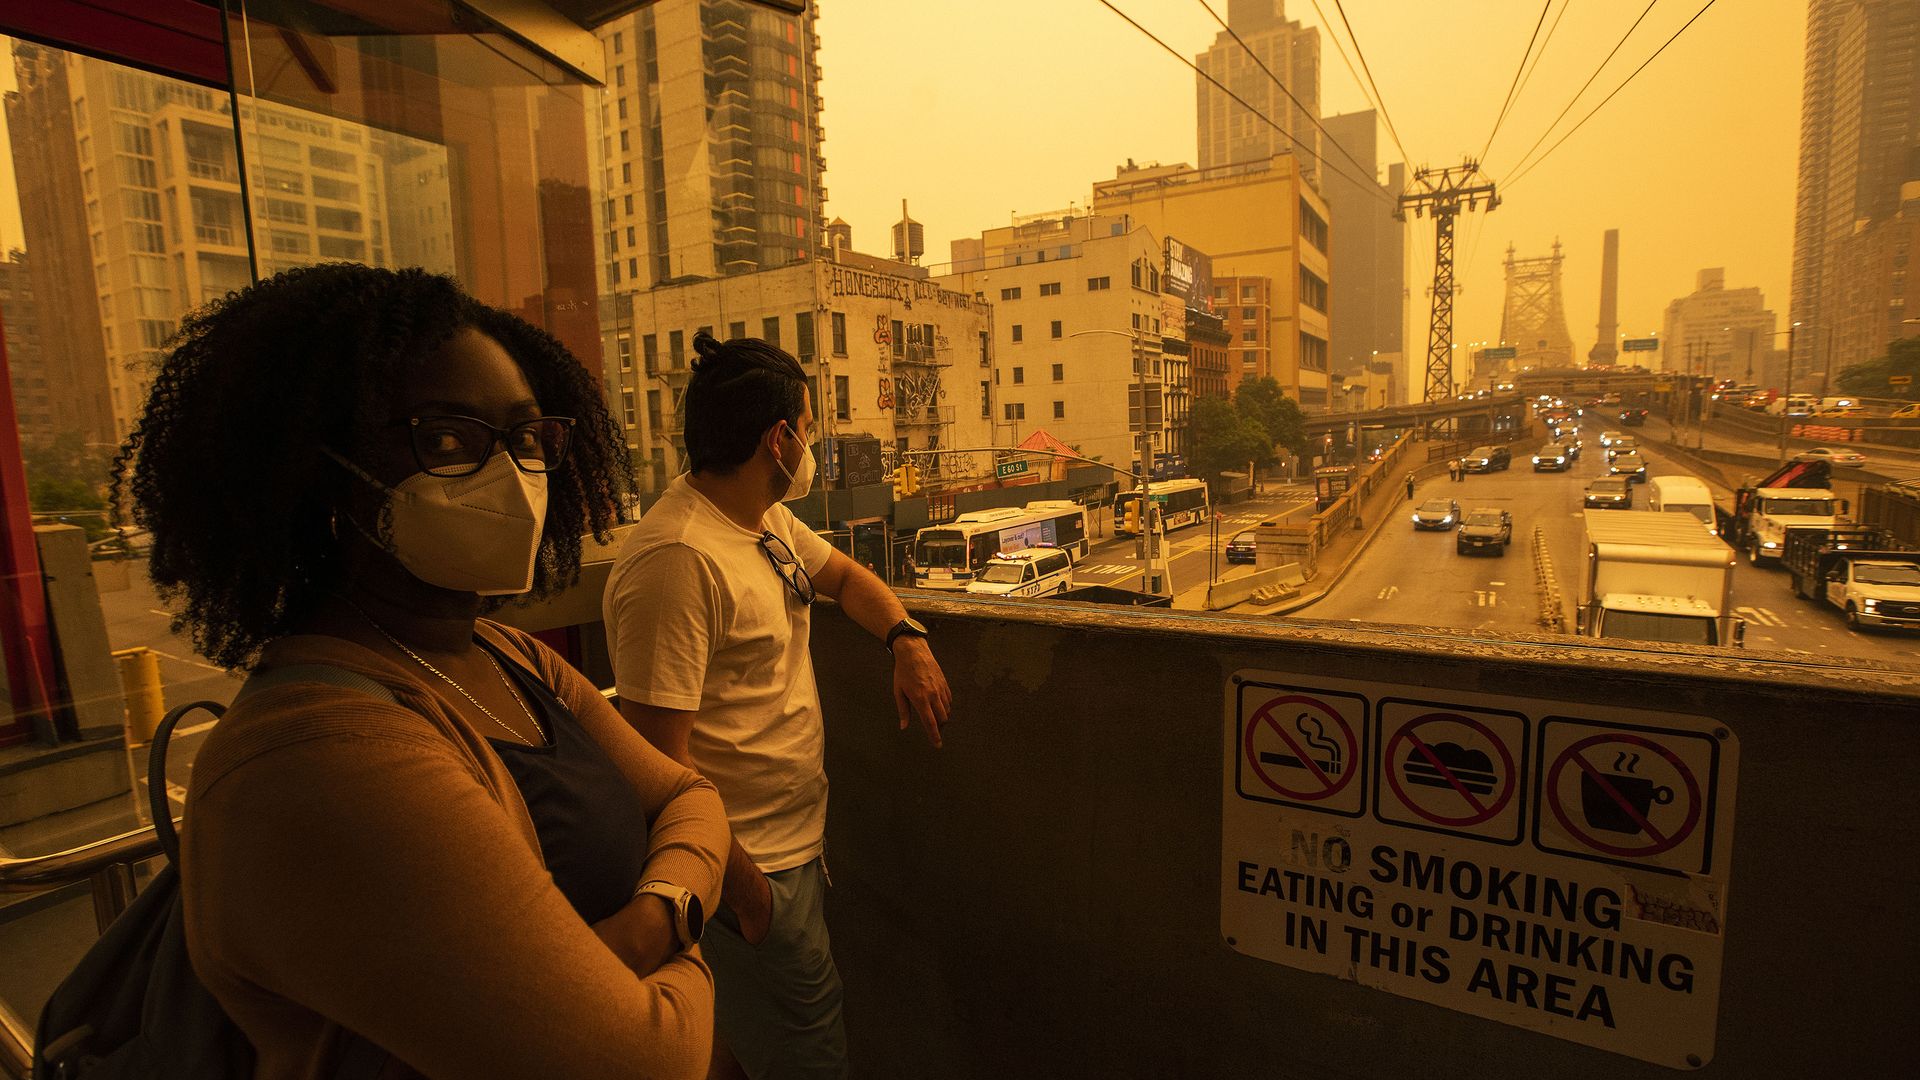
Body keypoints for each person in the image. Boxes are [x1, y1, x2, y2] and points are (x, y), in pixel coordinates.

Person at [116, 264, 730, 1080]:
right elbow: (644, 1059)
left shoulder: (505, 655)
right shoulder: (320, 759)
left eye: (525, 439)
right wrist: (696, 927)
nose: (510, 474)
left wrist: (656, 921)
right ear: (318, 465)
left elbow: (690, 796)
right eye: (446, 439)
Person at [603, 332, 952, 1080]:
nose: (814, 445)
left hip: (793, 847)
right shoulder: (680, 561)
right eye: (812, 427)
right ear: (780, 438)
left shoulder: (762, 522)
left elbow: (849, 580)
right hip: (747, 866)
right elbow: (658, 760)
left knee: (750, 1050)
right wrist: (745, 889)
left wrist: (905, 636)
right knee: (806, 1051)